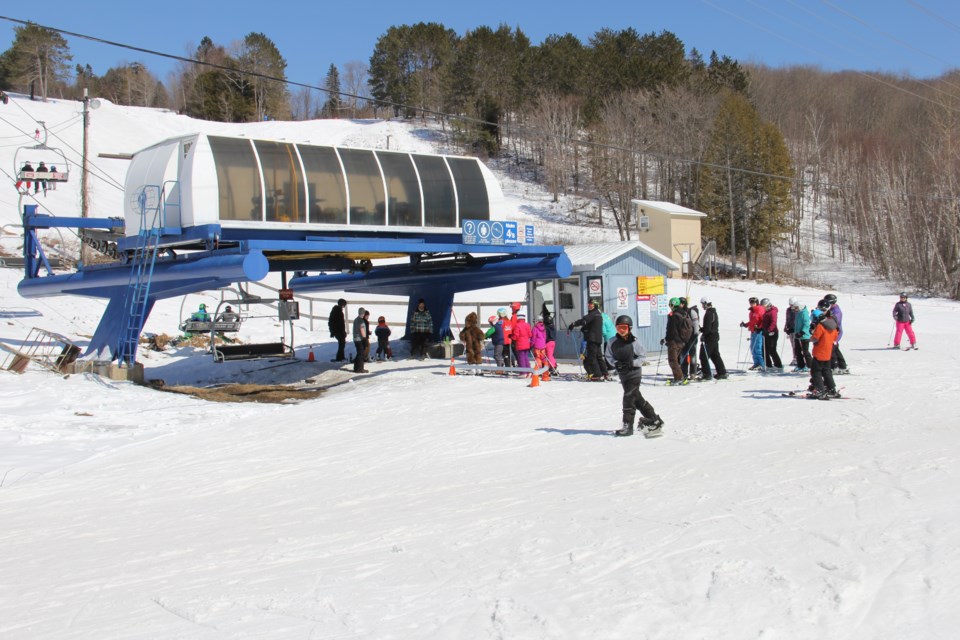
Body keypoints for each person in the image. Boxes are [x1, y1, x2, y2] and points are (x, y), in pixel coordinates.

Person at [606, 315, 664, 437]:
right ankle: (653, 418)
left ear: (629, 328)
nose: (621, 330)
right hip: (623, 375)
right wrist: (616, 364)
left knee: (628, 398)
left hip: (634, 374)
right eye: (618, 328)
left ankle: (628, 426)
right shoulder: (612, 342)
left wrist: (632, 363)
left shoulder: (634, 342)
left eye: (624, 328)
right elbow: (608, 356)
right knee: (636, 398)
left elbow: (642, 357)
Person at [809, 303, 841, 399]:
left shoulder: (821, 326)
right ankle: (831, 389)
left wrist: (811, 336)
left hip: (820, 351)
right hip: (828, 351)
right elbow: (835, 336)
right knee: (827, 371)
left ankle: (820, 390)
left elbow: (815, 338)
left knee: (816, 371)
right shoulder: (833, 325)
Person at [569, 299, 606, 381]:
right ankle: (605, 373)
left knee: (592, 357)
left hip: (592, 339)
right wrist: (583, 329)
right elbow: (590, 325)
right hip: (598, 338)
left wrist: (573, 324)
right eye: (589, 304)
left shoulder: (593, 314)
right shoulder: (599, 314)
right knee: (599, 356)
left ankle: (597, 375)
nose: (589, 305)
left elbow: (584, 321)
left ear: (595, 305)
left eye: (591, 304)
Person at [697, 296, 728, 380]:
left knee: (703, 356)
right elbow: (710, 326)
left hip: (710, 337)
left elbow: (707, 328)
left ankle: (707, 374)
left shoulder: (709, 313)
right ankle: (722, 372)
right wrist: (702, 329)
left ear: (706, 303)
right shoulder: (713, 312)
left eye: (703, 304)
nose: (702, 306)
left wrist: (703, 334)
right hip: (714, 336)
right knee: (715, 355)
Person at [662, 297, 688, 385]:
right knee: (676, 360)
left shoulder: (673, 315)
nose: (670, 306)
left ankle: (679, 378)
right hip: (681, 341)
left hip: (674, 341)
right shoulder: (683, 313)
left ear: (673, 305)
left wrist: (666, 339)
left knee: (672, 360)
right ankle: (680, 376)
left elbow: (671, 330)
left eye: (670, 305)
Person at [824, 293, 849, 374]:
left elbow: (835, 322)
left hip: (836, 332)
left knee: (833, 349)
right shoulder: (831, 309)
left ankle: (836, 366)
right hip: (833, 331)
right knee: (835, 349)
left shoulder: (836, 311)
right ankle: (842, 366)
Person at [740, 296, 766, 370]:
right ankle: (756, 363)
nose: (751, 304)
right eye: (750, 302)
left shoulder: (760, 309)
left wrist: (760, 327)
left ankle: (762, 364)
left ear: (757, 303)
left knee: (758, 348)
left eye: (753, 302)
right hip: (753, 331)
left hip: (758, 331)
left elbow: (763, 320)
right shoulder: (752, 311)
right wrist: (745, 324)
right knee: (753, 348)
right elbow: (752, 321)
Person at [678, 297, 700, 379]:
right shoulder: (680, 313)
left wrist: (696, 334)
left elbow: (696, 324)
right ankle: (684, 373)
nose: (679, 305)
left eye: (680, 303)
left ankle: (693, 373)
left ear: (683, 304)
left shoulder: (691, 312)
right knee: (683, 355)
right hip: (684, 338)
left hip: (692, 337)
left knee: (692, 356)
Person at [760, 298, 783, 370]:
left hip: (773, 333)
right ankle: (768, 365)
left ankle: (778, 365)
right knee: (764, 349)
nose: (763, 307)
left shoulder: (773, 311)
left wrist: (769, 330)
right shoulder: (766, 311)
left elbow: (773, 322)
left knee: (772, 350)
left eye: (763, 306)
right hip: (766, 332)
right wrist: (761, 328)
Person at [790, 299, 812, 372]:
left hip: (804, 336)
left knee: (805, 352)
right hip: (797, 335)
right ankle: (800, 365)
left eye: (796, 308)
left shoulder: (804, 313)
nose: (795, 309)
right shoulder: (798, 313)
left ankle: (810, 366)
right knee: (797, 351)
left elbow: (806, 324)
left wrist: (802, 332)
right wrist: (793, 329)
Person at [353, 307, 370, 373]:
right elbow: (362, 330)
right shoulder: (361, 321)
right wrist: (364, 338)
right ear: (363, 313)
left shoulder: (356, 319)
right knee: (361, 354)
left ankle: (356, 367)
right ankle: (360, 368)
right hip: (360, 339)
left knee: (359, 353)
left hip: (355, 338)